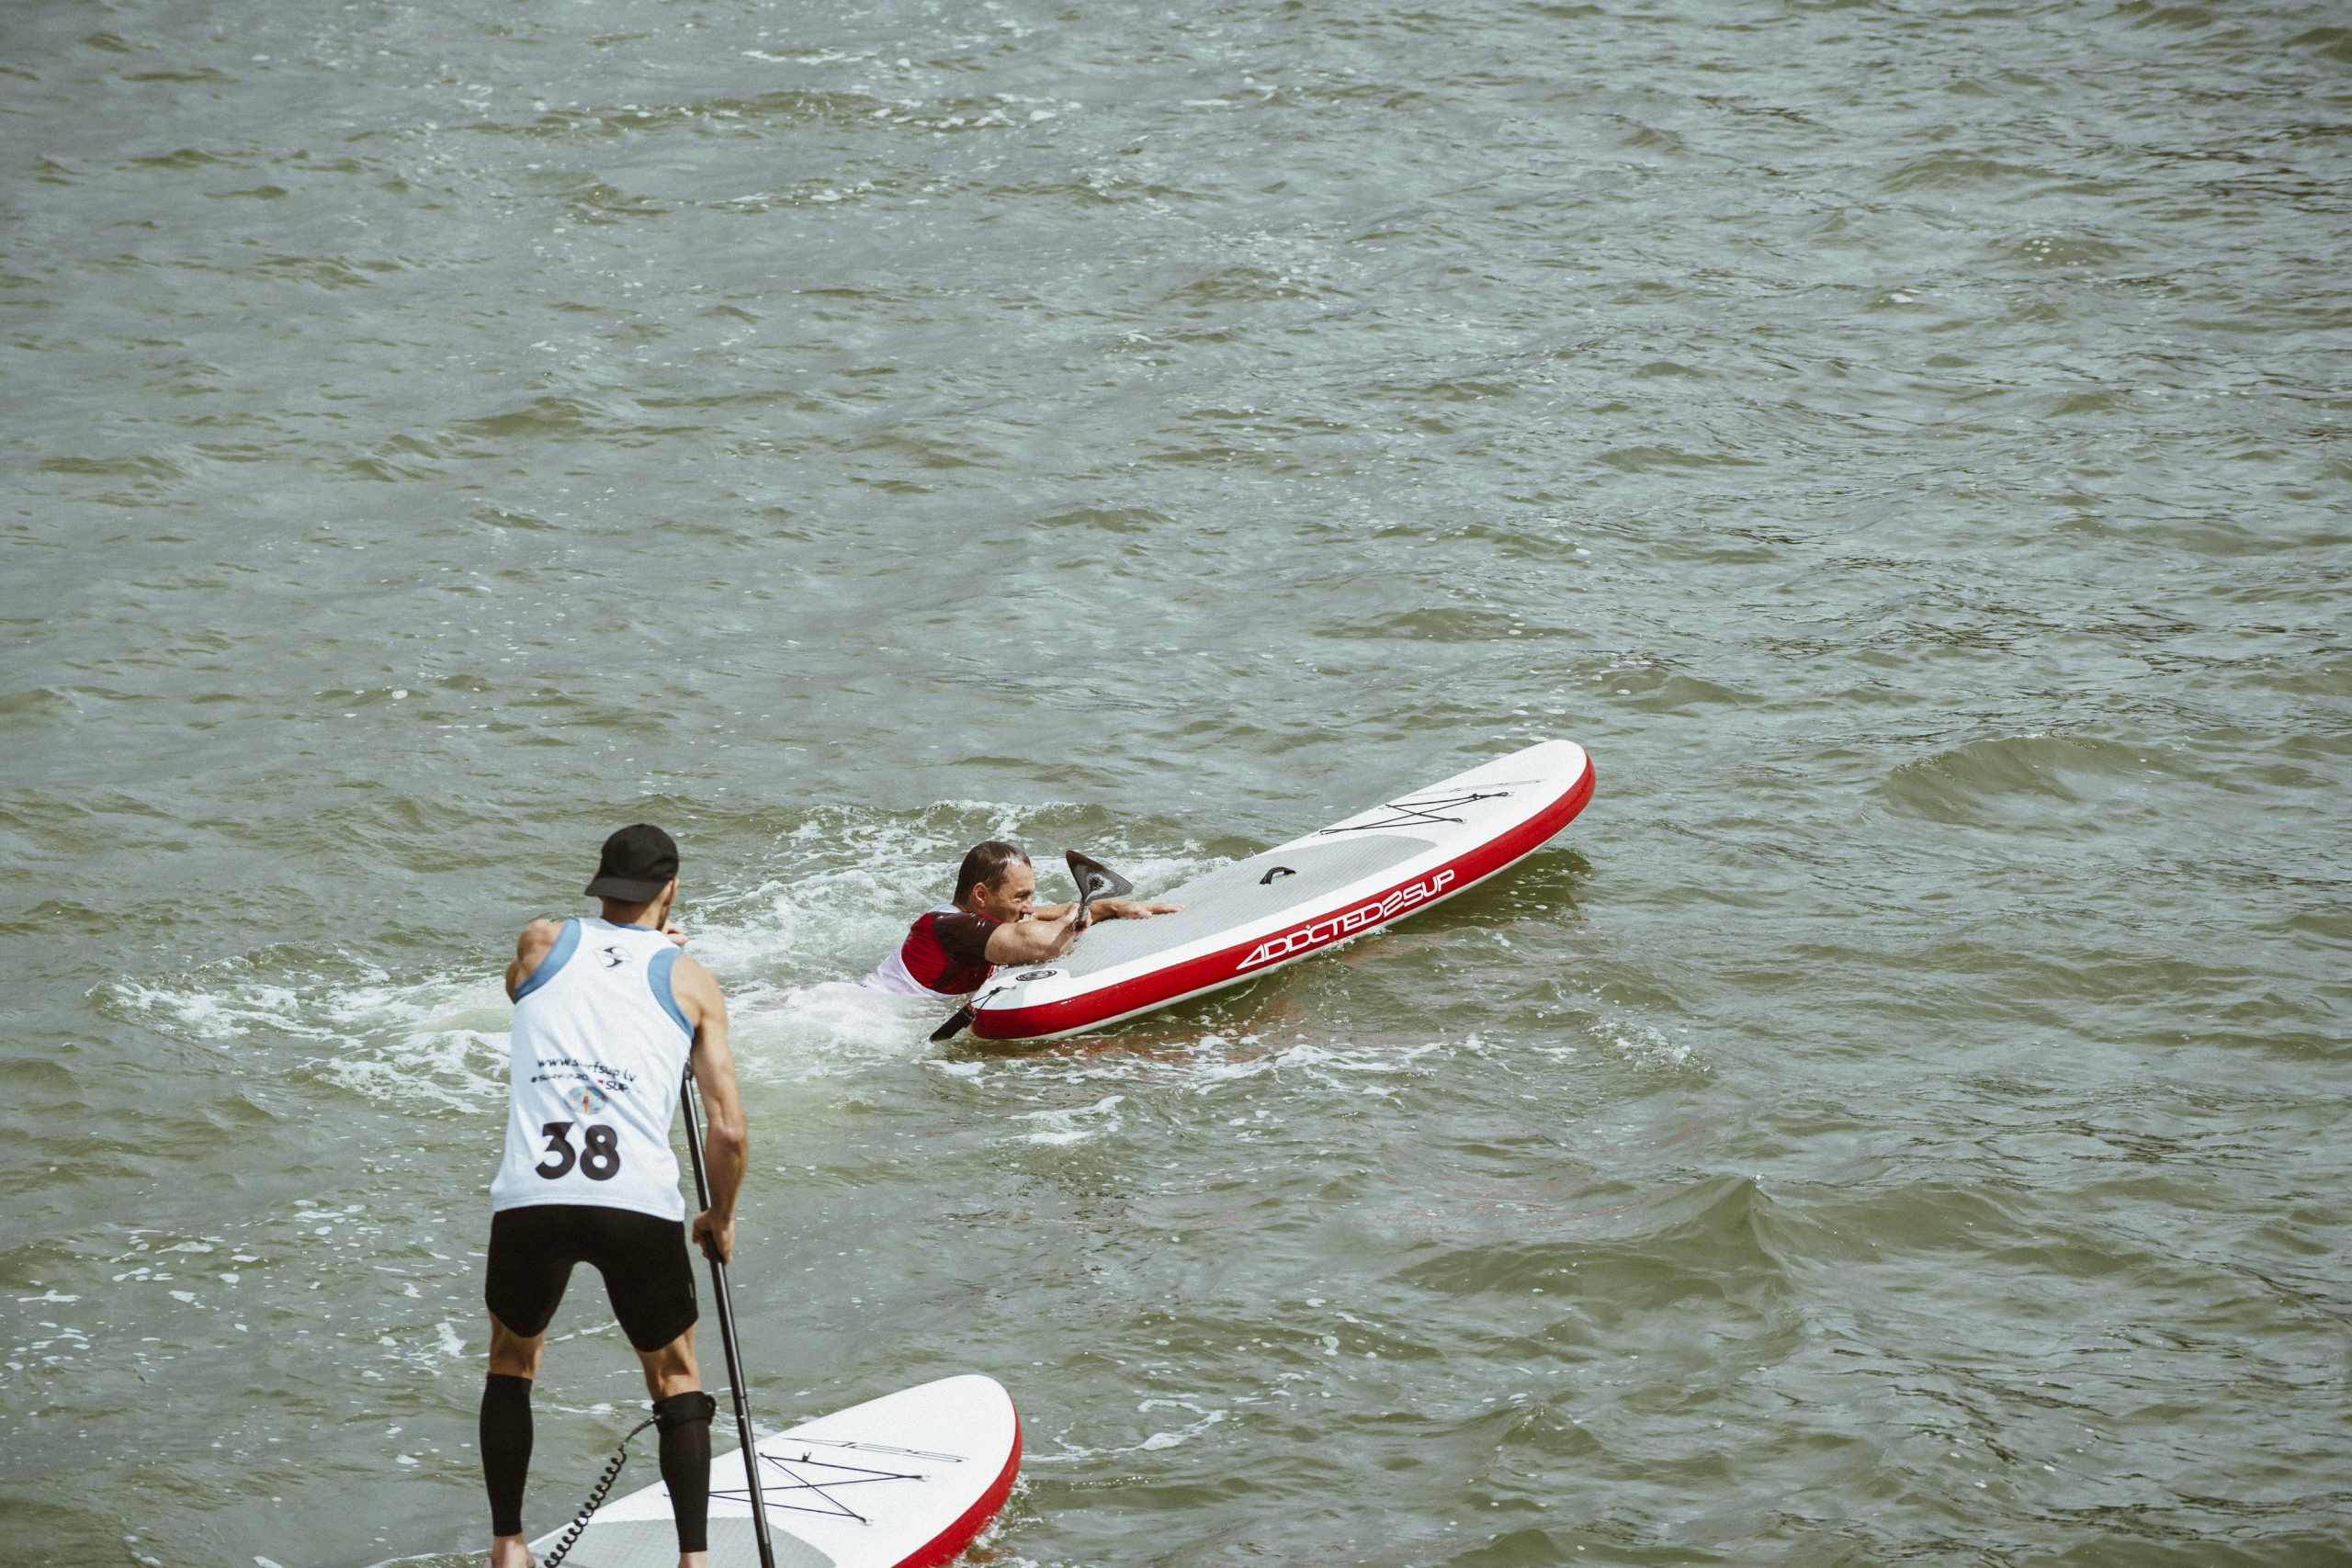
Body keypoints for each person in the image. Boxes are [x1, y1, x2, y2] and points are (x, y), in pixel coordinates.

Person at [478, 824, 748, 1568]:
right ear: (671, 890)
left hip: (532, 1196)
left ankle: (508, 1546)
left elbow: (523, 989)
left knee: (511, 1361)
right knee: (675, 1375)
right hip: (635, 1201)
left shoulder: (539, 941)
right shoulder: (691, 979)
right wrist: (719, 1215)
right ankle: (694, 1560)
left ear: (599, 883)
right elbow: (727, 1130)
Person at [865, 840, 1181, 1001]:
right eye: (1020, 897)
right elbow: (1047, 945)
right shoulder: (954, 927)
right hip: (865, 1016)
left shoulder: (981, 920)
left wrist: (1110, 907)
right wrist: (1071, 919)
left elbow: (1040, 915)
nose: (1028, 907)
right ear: (981, 895)